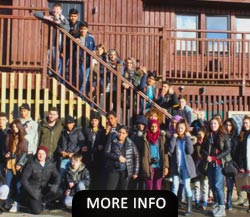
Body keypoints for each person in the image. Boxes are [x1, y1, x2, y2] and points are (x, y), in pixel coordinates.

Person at [201, 116, 231, 217]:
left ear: (219, 124)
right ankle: (216, 205)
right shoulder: (208, 135)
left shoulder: (223, 135)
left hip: (219, 164)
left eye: (215, 123)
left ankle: (222, 208)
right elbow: (202, 149)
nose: (213, 125)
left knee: (218, 186)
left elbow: (227, 150)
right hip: (209, 164)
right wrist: (207, 156)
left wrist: (214, 157)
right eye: (211, 123)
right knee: (212, 186)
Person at [21, 146, 62, 215]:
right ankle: (28, 202)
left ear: (46, 155)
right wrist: (32, 192)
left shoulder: (50, 164)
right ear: (37, 154)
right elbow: (24, 180)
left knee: (59, 191)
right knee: (36, 211)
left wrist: (55, 185)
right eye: (39, 153)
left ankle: (44, 201)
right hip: (34, 190)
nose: (41, 156)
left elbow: (57, 176)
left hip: (45, 188)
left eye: (43, 154)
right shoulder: (31, 164)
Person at [169, 118, 196, 216]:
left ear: (185, 129)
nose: (180, 130)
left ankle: (189, 208)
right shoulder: (174, 138)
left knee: (187, 186)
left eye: (182, 128)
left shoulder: (187, 138)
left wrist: (188, 137)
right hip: (176, 166)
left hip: (186, 167)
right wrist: (173, 138)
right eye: (178, 128)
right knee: (174, 187)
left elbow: (190, 151)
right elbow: (170, 150)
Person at [34, 3, 70, 76]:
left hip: (57, 43)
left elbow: (67, 29)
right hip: (47, 42)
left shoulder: (63, 19)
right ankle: (47, 75)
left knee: (55, 61)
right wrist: (46, 17)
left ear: (61, 10)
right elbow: (36, 13)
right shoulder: (48, 14)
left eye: (57, 9)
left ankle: (55, 76)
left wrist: (59, 23)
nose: (55, 11)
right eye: (54, 9)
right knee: (47, 60)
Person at [104, 125, 139, 190]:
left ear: (126, 134)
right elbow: (106, 152)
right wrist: (117, 157)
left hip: (126, 171)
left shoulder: (131, 143)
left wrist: (135, 172)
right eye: (120, 132)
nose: (121, 134)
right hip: (113, 169)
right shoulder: (112, 141)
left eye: (123, 133)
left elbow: (136, 157)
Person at [5, 120, 28, 213]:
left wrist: (20, 164)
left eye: (16, 127)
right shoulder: (9, 137)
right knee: (8, 184)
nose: (14, 129)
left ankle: (16, 202)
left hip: (18, 165)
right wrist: (6, 154)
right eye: (13, 127)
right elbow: (5, 149)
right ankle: (7, 201)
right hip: (9, 164)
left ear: (20, 127)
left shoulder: (24, 140)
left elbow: (25, 154)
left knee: (18, 185)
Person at [142, 119, 169, 190]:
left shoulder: (161, 137)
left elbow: (165, 153)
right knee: (149, 186)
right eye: (152, 126)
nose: (153, 128)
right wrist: (145, 167)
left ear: (158, 127)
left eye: (155, 126)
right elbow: (144, 155)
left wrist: (166, 166)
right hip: (149, 165)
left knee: (157, 186)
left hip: (159, 165)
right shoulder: (146, 137)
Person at [82, 111, 105, 190]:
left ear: (98, 121)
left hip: (98, 157)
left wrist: (101, 146)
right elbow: (83, 140)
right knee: (88, 175)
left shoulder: (102, 131)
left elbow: (104, 142)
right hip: (88, 157)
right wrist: (84, 146)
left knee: (97, 176)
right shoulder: (86, 130)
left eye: (95, 120)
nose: (94, 122)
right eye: (92, 120)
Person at [223, 118, 239, 211]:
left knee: (230, 184)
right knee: (224, 184)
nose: (228, 127)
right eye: (226, 125)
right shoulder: (222, 135)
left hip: (232, 163)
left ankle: (229, 202)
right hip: (223, 162)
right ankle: (225, 201)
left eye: (229, 125)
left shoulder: (235, 137)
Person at [75, 21, 96, 93]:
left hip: (88, 61)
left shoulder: (91, 38)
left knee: (85, 78)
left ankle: (80, 93)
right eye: (81, 29)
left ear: (87, 29)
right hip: (79, 60)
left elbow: (93, 49)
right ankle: (80, 92)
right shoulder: (76, 37)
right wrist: (75, 43)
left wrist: (93, 58)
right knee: (81, 77)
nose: (82, 30)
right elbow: (72, 48)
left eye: (84, 29)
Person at [128, 114, 148, 190]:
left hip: (143, 159)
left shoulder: (146, 134)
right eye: (140, 124)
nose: (141, 126)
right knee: (133, 179)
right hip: (134, 159)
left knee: (142, 181)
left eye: (143, 124)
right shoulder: (132, 133)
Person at [192, 127, 209, 211]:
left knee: (205, 185)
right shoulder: (194, 146)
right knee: (197, 186)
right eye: (198, 135)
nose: (199, 137)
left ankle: (205, 202)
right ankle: (197, 202)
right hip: (196, 169)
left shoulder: (207, 146)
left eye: (201, 135)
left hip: (204, 169)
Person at [238, 115, 250, 213]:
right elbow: (240, 153)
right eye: (244, 123)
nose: (245, 125)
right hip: (246, 165)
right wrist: (241, 166)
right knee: (248, 187)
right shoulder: (242, 135)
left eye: (247, 123)